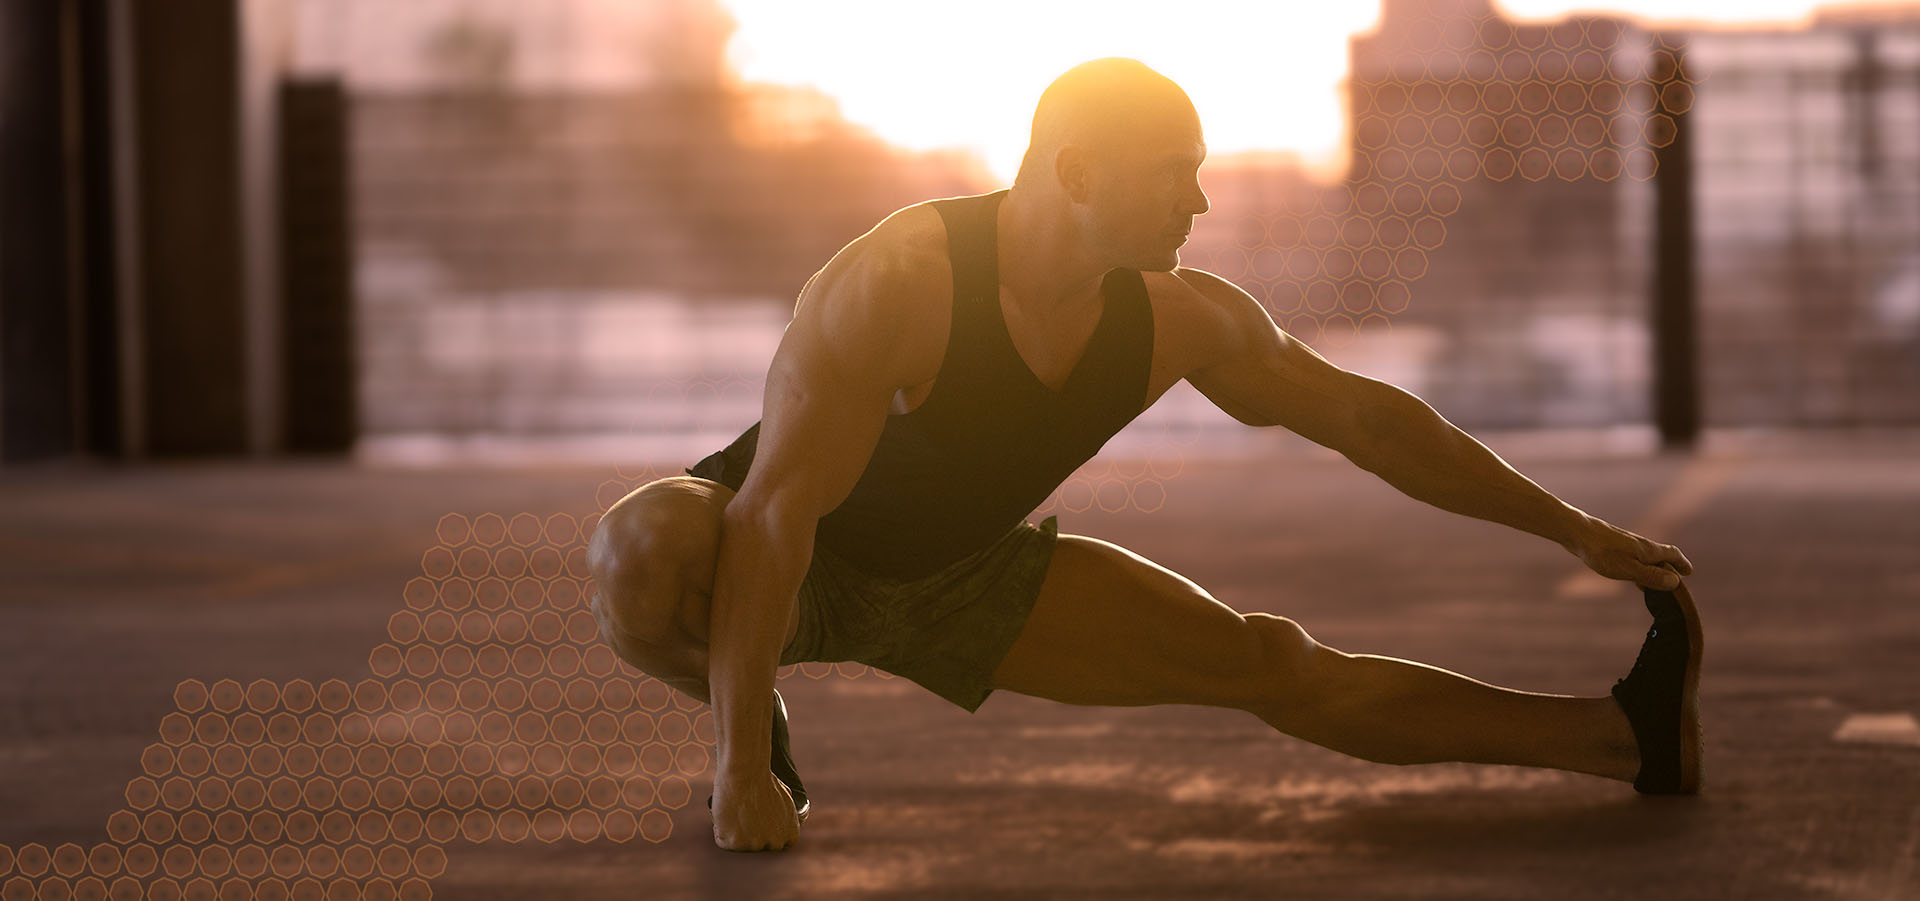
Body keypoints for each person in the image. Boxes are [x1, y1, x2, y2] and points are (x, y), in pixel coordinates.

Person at [586, 57, 1701, 853]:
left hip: (963, 579)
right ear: (1075, 173)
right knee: (641, 549)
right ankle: (753, 713)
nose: (1200, 199)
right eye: (1171, 171)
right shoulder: (903, 282)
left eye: (1199, 168)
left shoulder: (1179, 318)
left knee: (1271, 664)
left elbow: (1371, 423)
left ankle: (1622, 738)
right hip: (784, 558)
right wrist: (738, 769)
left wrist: (1572, 527)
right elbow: (774, 517)